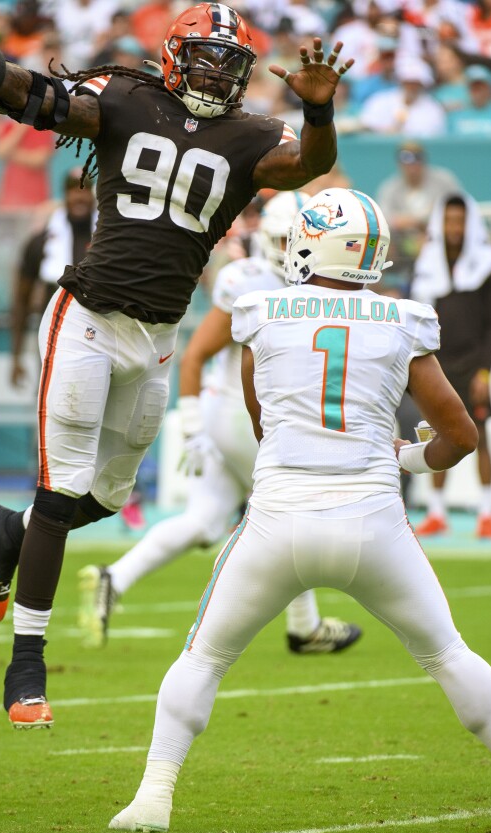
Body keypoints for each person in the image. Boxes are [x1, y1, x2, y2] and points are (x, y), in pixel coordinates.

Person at [0, 0, 352, 729]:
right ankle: (27, 667)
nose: (215, 72)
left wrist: (322, 112)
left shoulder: (252, 133)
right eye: (205, 56)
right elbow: (34, 98)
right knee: (61, 488)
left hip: (159, 334)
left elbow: (309, 165)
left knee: (106, 498)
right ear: (174, 55)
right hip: (87, 317)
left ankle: (6, 534)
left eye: (229, 63)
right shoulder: (126, 97)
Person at [108, 188, 491, 833]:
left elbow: (261, 421)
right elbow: (462, 436)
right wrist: (403, 459)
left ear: (308, 242)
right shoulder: (399, 319)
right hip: (372, 522)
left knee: (204, 659)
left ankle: (154, 795)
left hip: (278, 519)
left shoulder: (260, 310)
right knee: (447, 653)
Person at [76, 192, 363, 652]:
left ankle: (116, 577)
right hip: (243, 416)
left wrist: (196, 427)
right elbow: (196, 356)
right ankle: (303, 626)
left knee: (205, 521)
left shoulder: (259, 279)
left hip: (225, 414)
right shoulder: (258, 283)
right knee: (295, 510)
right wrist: (190, 426)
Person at [411, 194, 491, 538]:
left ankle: (487, 512)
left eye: (460, 221)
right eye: (449, 221)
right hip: (439, 364)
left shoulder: (487, 264)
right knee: (436, 435)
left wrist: (486, 371)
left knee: (483, 436)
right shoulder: (428, 263)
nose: (454, 228)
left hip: (474, 363)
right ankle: (436, 511)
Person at [9, 169, 96, 389]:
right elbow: (21, 300)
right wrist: (16, 356)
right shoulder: (41, 242)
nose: (79, 196)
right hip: (54, 341)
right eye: (72, 190)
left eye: (84, 189)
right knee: (52, 409)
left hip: (98, 338)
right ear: (64, 194)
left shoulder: (109, 240)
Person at [375, 141, 463, 285]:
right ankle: (386, 291)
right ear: (399, 163)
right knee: (380, 246)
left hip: (440, 237)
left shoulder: (443, 180)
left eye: (417, 159)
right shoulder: (390, 187)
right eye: (406, 160)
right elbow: (385, 220)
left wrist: (426, 225)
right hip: (402, 242)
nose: (412, 167)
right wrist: (419, 221)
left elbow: (458, 208)